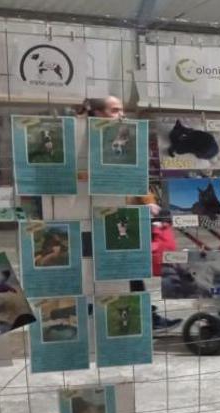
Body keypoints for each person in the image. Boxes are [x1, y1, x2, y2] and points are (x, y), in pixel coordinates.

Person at [79, 95, 180, 330]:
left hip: (122, 215)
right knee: (90, 269)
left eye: (121, 110)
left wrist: (147, 201)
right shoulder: (82, 141)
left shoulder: (123, 137)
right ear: (96, 113)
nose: (121, 115)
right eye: (114, 111)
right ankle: (93, 315)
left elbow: (135, 174)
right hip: (88, 216)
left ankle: (145, 317)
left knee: (130, 268)